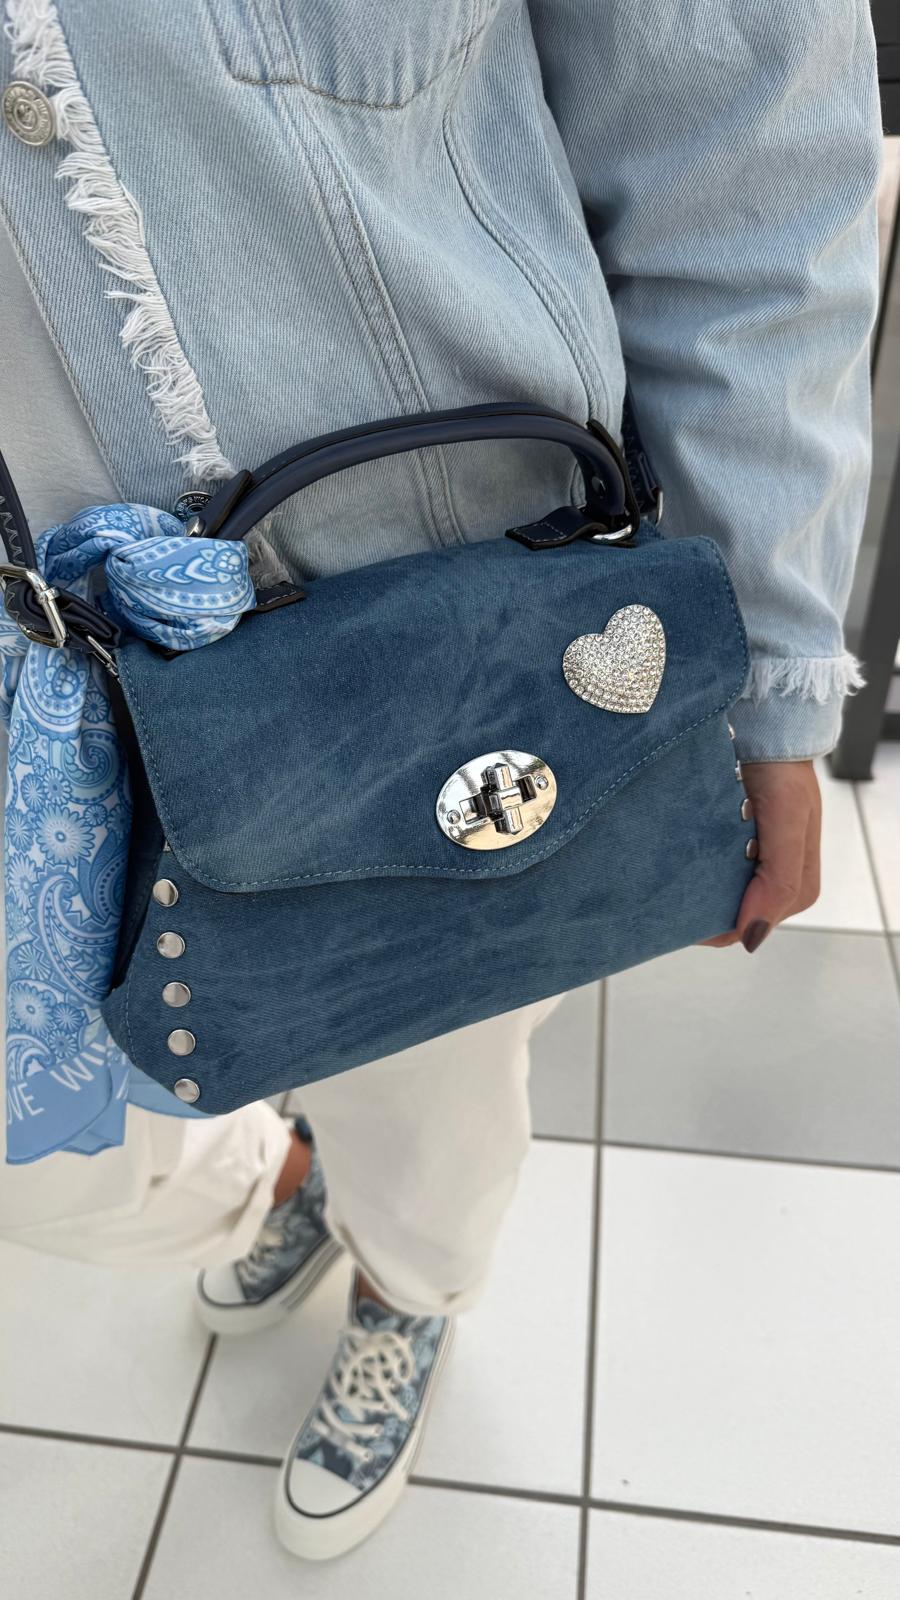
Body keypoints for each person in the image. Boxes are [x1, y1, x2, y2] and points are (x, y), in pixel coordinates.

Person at [0, 0, 882, 1562]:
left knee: (435, 1085)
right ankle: (288, 1178)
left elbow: (741, 163)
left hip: (466, 674)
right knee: (98, 1131)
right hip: (64, 688)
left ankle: (408, 1288)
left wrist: (778, 684)